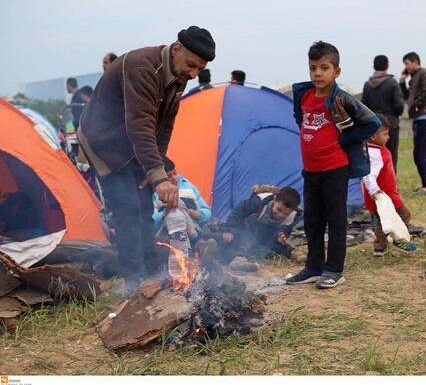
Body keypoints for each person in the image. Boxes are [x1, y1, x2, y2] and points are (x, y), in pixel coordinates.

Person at [77, 26, 216, 288]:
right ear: (176, 50)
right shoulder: (142, 68)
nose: (194, 73)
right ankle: (134, 280)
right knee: (128, 208)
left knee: (143, 206)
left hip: (131, 143)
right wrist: (159, 177)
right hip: (103, 142)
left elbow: (164, 126)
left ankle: (153, 270)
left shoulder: (179, 73)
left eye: (200, 68)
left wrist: (157, 167)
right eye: (191, 65)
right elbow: (140, 124)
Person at [286, 41, 380, 289]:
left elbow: (372, 123)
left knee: (335, 221)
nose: (317, 73)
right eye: (313, 68)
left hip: (334, 168)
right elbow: (301, 119)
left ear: (336, 71)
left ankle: (334, 269)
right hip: (311, 170)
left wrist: (342, 139)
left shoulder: (341, 99)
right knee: (312, 221)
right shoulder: (304, 95)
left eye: (324, 68)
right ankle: (314, 267)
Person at [362, 114, 423, 256]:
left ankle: (379, 247)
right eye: (385, 134)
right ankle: (399, 240)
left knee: (381, 221)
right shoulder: (376, 154)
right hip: (384, 196)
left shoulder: (372, 149)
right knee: (405, 215)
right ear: (372, 136)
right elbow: (369, 175)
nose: (388, 137)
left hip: (381, 194)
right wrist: (375, 192)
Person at [204, 186, 305, 271]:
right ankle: (237, 257)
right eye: (278, 210)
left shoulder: (295, 214)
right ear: (274, 199)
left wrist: (282, 234)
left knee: (268, 248)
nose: (280, 215)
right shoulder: (258, 201)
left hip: (265, 236)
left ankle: (292, 252)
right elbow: (237, 213)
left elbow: (286, 229)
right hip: (244, 229)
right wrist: (229, 230)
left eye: (285, 214)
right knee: (237, 238)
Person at [152, 156, 211, 245]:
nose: (175, 178)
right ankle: (195, 241)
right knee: (177, 203)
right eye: (169, 176)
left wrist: (198, 214)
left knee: (178, 204)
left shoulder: (188, 186)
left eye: (175, 173)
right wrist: (168, 211)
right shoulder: (154, 191)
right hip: (166, 232)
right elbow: (151, 221)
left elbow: (207, 212)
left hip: (194, 225)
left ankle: (193, 244)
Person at [361, 55, 404, 172]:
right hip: (390, 125)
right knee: (390, 156)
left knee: (372, 157)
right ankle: (391, 185)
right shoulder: (392, 83)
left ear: (374, 67)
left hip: (373, 127)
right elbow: (400, 107)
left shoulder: (367, 85)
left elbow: (363, 108)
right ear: (387, 66)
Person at [400, 52, 426, 196]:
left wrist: (415, 105)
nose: (406, 67)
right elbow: (406, 96)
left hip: (425, 116)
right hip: (418, 118)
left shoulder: (424, 73)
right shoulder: (413, 77)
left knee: (419, 153)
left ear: (415, 62)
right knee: (423, 152)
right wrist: (402, 81)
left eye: (407, 64)